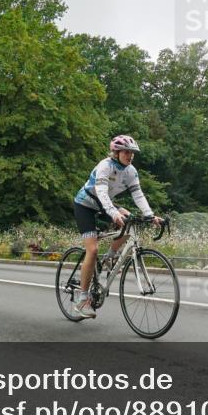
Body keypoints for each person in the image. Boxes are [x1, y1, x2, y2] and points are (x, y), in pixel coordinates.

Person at [72, 135, 162, 318]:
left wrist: (150, 215)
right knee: (93, 249)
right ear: (116, 152)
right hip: (86, 205)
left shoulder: (131, 171)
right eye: (127, 152)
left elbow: (138, 195)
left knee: (131, 221)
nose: (130, 156)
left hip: (105, 204)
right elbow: (102, 194)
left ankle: (110, 258)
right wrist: (114, 213)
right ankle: (82, 300)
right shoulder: (105, 166)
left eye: (132, 153)